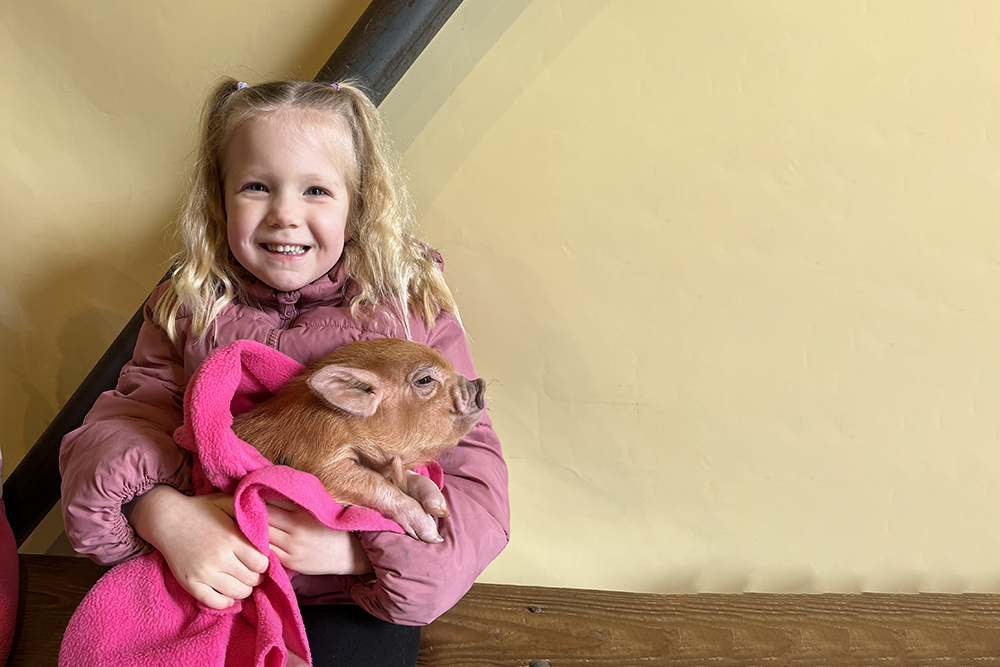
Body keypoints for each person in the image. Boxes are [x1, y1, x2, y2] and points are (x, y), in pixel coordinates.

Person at [59, 78, 510, 667]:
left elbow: (474, 477)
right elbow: (132, 417)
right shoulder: (193, 305)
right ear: (219, 198)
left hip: (348, 594)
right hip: (216, 570)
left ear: (360, 202)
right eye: (256, 186)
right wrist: (161, 515)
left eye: (316, 190)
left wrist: (358, 553)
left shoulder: (410, 308)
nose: (285, 215)